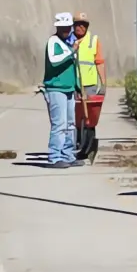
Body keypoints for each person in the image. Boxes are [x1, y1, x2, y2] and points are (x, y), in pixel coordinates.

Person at [41, 13, 79, 168]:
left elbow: (73, 68)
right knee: (59, 124)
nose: (65, 30)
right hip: (56, 88)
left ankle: (68, 155)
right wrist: (71, 52)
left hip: (69, 88)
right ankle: (55, 156)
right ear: (57, 27)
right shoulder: (53, 42)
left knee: (71, 124)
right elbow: (55, 61)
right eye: (62, 27)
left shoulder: (68, 43)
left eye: (67, 27)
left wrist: (76, 86)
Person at [72, 13, 106, 131]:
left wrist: (103, 84)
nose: (80, 27)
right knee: (74, 115)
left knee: (90, 117)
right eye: (78, 24)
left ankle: (89, 139)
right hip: (72, 84)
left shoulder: (93, 40)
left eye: (84, 25)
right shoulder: (68, 40)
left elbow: (99, 62)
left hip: (90, 85)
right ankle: (75, 139)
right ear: (73, 25)